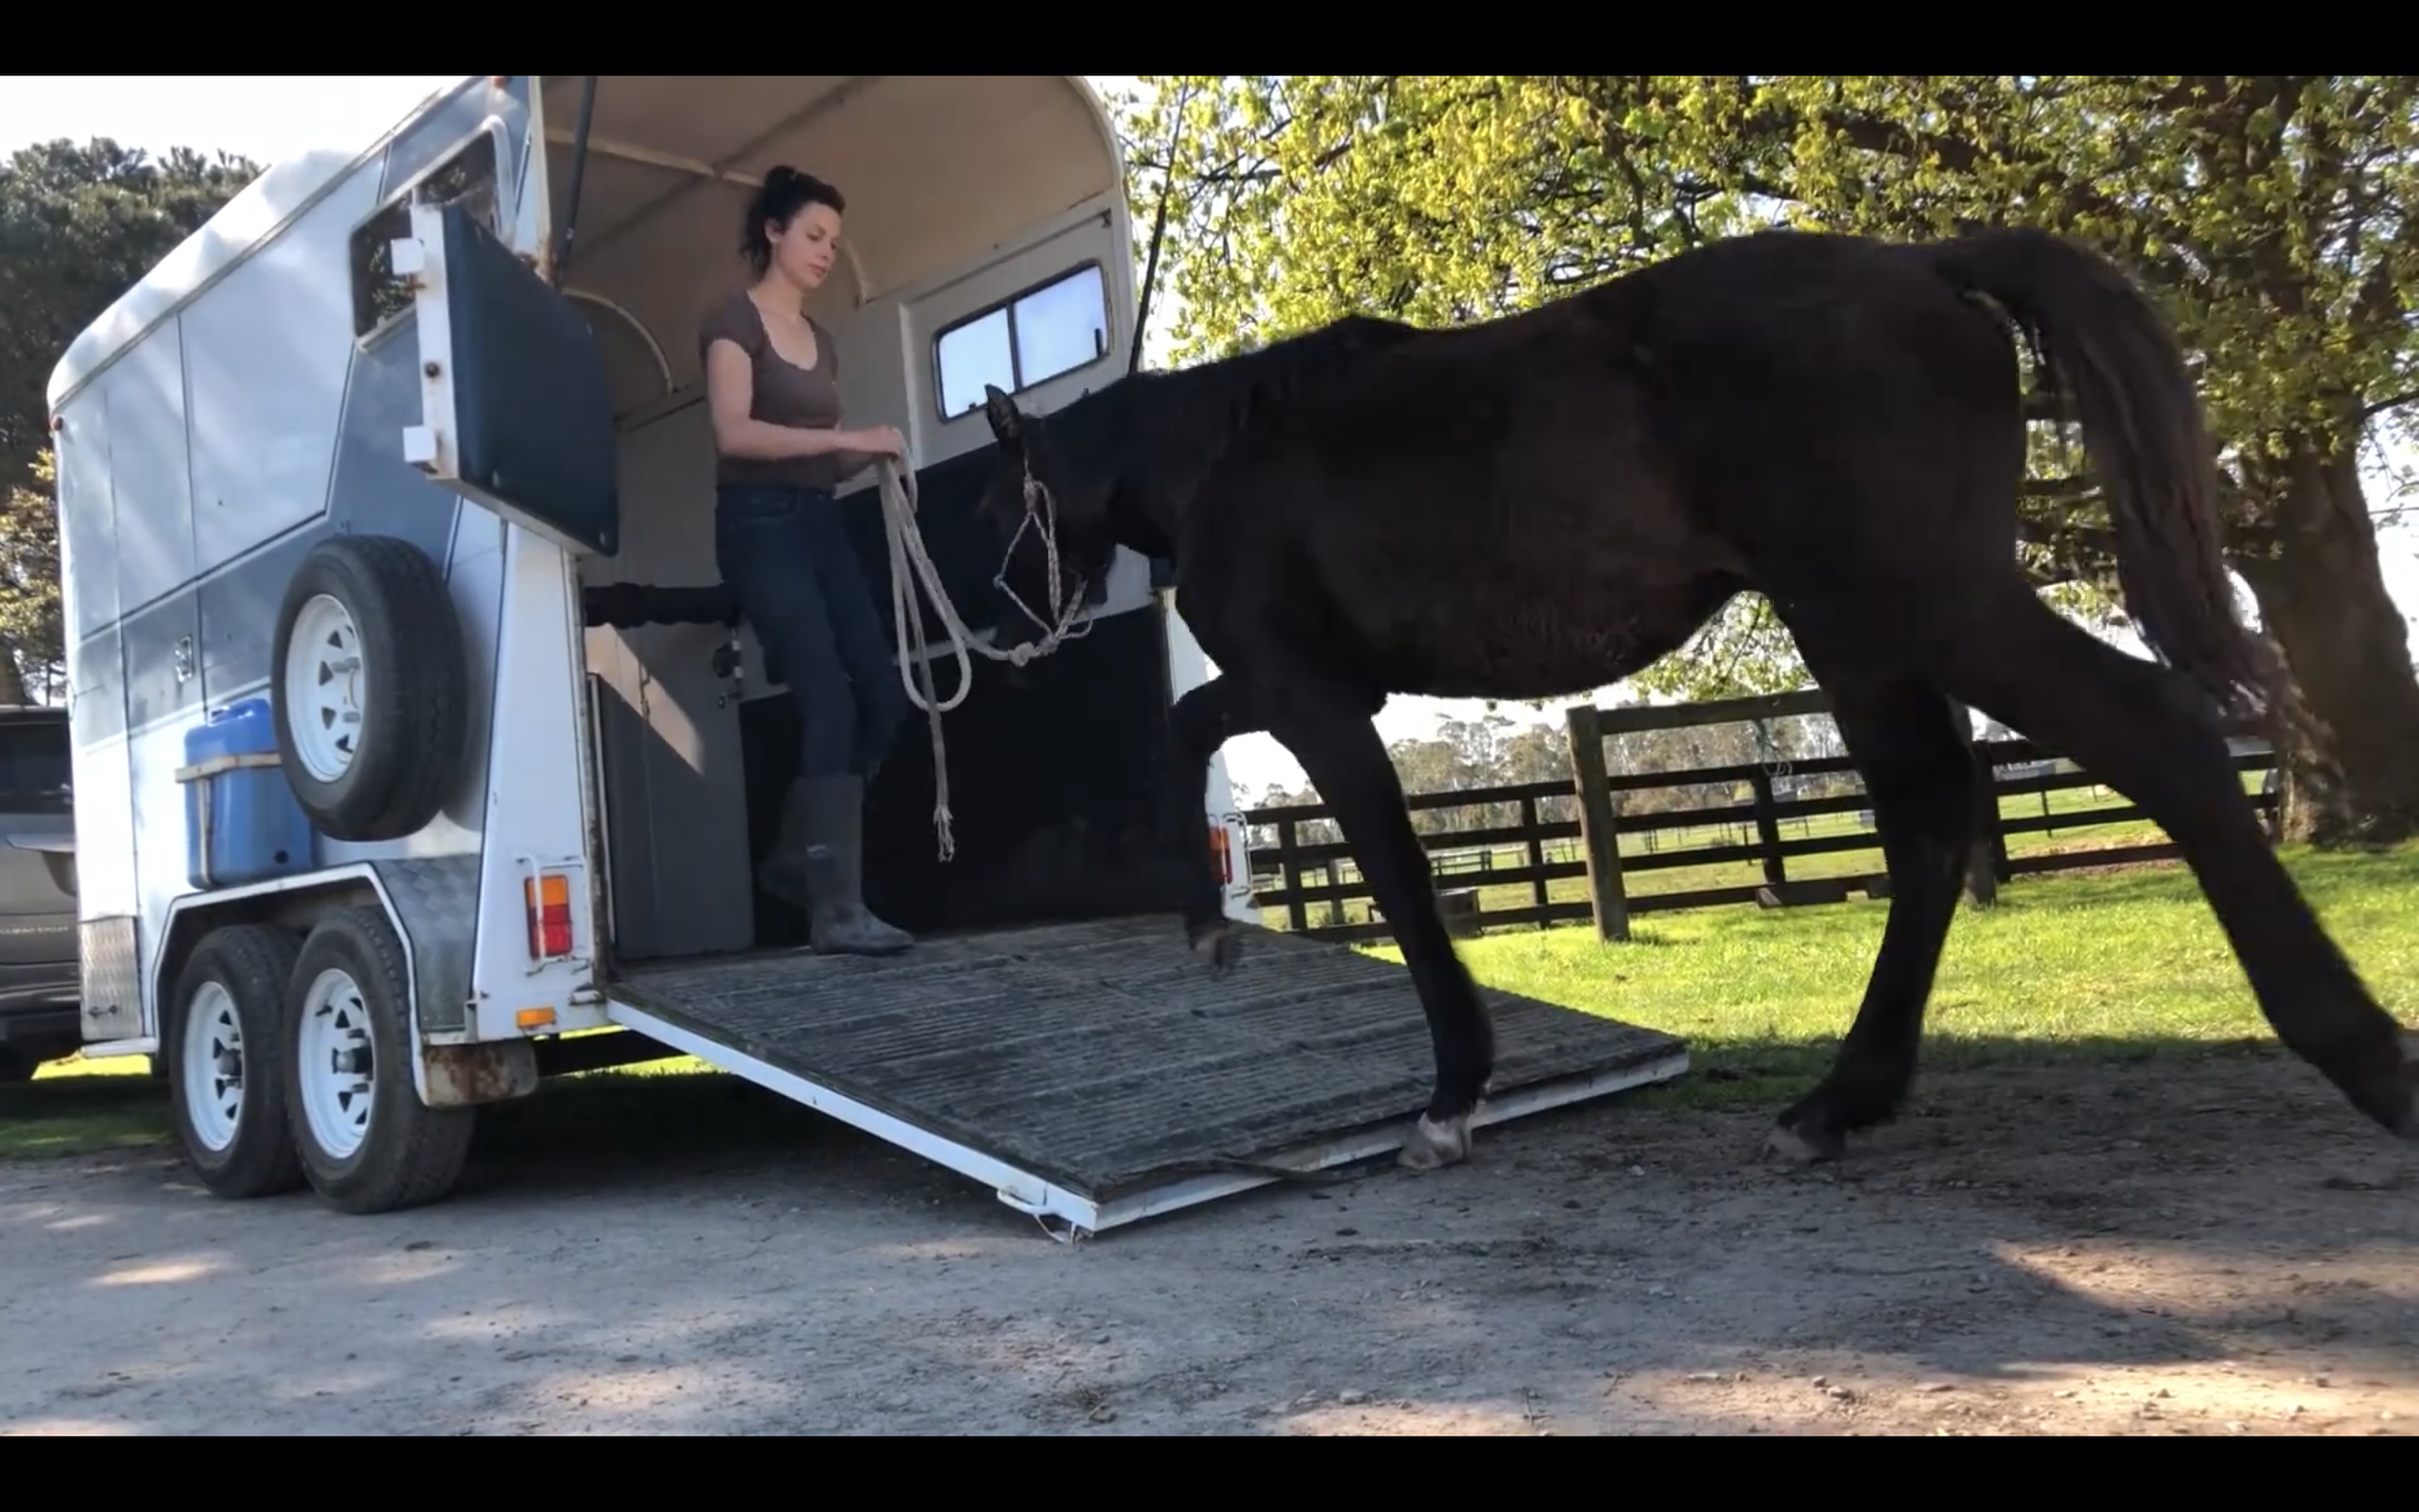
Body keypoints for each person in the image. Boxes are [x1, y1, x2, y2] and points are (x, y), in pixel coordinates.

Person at [701, 164, 913, 956]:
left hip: (819, 521)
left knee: (884, 697)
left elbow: (821, 462)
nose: (827, 252)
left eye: (835, 241)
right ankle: (836, 910)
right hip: (758, 526)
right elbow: (736, 433)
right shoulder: (734, 320)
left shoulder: (819, 341)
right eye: (815, 236)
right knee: (829, 700)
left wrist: (875, 455)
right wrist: (843, 438)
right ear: (774, 233)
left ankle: (801, 855)